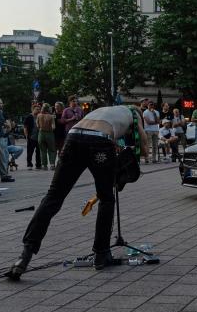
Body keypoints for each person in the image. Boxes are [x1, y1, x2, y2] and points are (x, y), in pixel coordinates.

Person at [8, 105, 149, 280]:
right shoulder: (134, 114)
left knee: (54, 196)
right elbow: (144, 149)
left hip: (73, 138)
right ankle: (101, 253)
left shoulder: (105, 111)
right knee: (106, 198)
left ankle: (25, 255)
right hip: (99, 142)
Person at [0, 98, 12, 182]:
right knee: (1, 156)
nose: (2, 104)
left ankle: (3, 173)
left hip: (2, 135)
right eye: (0, 103)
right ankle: (3, 174)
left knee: (3, 156)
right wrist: (3, 123)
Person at [37, 103, 57, 170]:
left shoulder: (39, 115)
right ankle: (52, 165)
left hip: (41, 134)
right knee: (52, 150)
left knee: (43, 151)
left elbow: (37, 126)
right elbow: (53, 127)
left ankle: (44, 165)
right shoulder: (51, 116)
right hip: (49, 134)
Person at [24, 104, 42, 170]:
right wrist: (26, 136)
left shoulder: (40, 116)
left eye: (39, 109)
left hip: (39, 136)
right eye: (37, 109)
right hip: (31, 136)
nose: (38, 110)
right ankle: (29, 164)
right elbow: (25, 127)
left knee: (39, 151)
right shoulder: (29, 117)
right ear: (33, 109)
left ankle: (38, 164)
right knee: (30, 152)